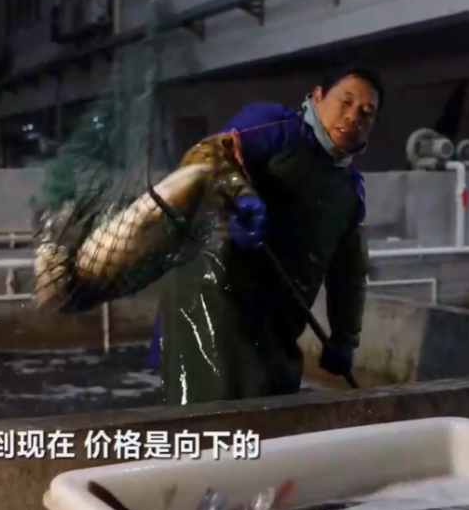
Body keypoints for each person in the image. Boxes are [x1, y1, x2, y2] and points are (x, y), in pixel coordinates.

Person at [145, 65, 383, 405]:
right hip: (211, 301)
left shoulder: (350, 190)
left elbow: (348, 273)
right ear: (317, 97)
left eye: (366, 113)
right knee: (212, 412)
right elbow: (207, 155)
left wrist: (345, 337)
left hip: (278, 325)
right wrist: (240, 195)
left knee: (267, 413)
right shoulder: (276, 127)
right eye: (345, 102)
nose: (353, 116)